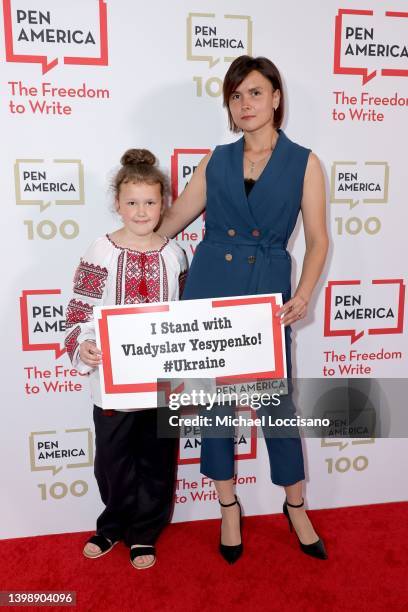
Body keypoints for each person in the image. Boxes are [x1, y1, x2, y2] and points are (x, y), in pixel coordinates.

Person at [158, 55, 329, 563]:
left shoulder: (305, 162)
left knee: (277, 408)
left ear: (276, 97)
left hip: (267, 294)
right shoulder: (217, 160)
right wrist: (131, 234)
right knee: (212, 405)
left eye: (255, 92)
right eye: (236, 96)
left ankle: (294, 504)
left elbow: (318, 241)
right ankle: (227, 504)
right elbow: (171, 222)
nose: (245, 103)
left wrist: (303, 293)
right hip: (210, 290)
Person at [64, 149, 188, 569]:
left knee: (157, 461)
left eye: (150, 202)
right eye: (132, 202)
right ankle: (113, 523)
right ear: (117, 203)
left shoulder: (175, 255)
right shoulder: (100, 251)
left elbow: (187, 320)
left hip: (162, 387)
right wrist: (83, 346)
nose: (141, 210)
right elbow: (79, 309)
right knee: (112, 462)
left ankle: (144, 534)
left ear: (163, 203)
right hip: (111, 384)